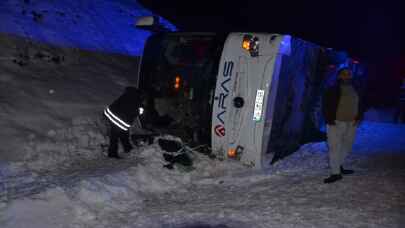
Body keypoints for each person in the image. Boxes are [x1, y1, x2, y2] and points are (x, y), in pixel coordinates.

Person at [322, 67, 365, 183]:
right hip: (336, 122)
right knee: (334, 147)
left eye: (348, 74)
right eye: (344, 74)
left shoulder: (356, 88)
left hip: (352, 122)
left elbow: (361, 103)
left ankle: (339, 165)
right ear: (339, 76)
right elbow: (325, 105)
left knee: (347, 145)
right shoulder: (333, 89)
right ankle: (335, 173)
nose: (347, 76)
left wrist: (360, 116)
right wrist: (329, 119)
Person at [103, 87, 146, 159]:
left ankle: (128, 148)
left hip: (111, 113)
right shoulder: (135, 100)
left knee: (124, 132)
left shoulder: (130, 95)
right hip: (117, 117)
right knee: (115, 136)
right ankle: (112, 154)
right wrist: (141, 110)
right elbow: (133, 113)